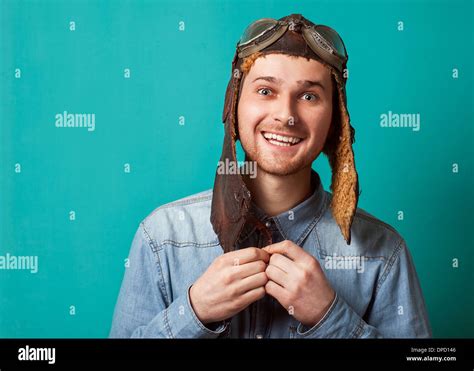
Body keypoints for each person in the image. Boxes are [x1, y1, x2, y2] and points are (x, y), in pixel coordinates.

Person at [109, 14, 431, 338]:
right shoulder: (162, 239)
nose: (286, 115)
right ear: (234, 104)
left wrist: (331, 319)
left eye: (309, 96)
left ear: (336, 121)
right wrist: (193, 312)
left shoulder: (383, 254)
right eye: (265, 91)